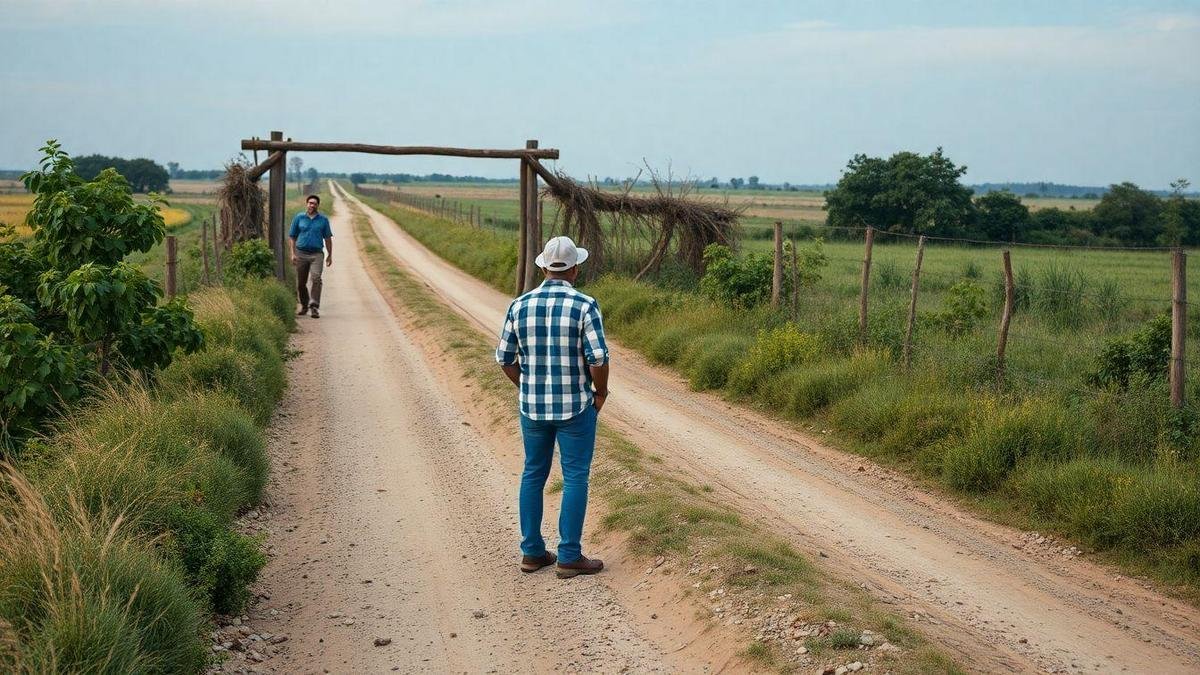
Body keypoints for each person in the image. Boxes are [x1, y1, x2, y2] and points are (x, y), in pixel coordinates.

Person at [495, 236, 610, 579]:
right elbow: (599, 357)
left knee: (533, 473)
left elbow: (504, 358)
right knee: (575, 476)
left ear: (544, 267)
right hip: (575, 406)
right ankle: (569, 556)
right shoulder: (585, 305)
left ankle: (532, 552)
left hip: (532, 407)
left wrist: (526, 386)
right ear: (575, 269)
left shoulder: (519, 305)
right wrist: (600, 392)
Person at [289, 195, 333, 318]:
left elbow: (328, 238)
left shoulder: (323, 220)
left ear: (318, 205)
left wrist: (330, 255)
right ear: (306, 204)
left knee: (316, 278)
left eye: (314, 203)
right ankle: (304, 305)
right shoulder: (299, 218)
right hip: (301, 253)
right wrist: (292, 253)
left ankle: (314, 306)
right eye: (310, 203)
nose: (312, 205)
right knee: (301, 283)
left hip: (316, 254)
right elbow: (292, 236)